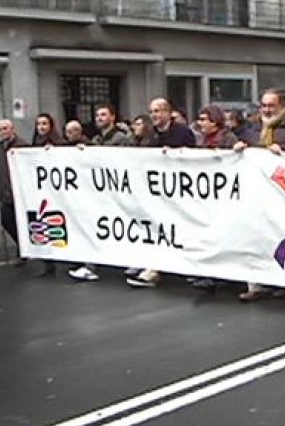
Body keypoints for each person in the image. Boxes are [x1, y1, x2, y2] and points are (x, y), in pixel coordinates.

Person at [235, 89, 285, 302]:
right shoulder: (254, 125)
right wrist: (240, 147)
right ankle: (258, 283)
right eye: (264, 105)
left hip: (283, 192)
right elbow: (245, 142)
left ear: (281, 106)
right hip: (258, 192)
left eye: (271, 106)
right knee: (258, 236)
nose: (266, 110)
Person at [127, 99, 197, 288]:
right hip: (157, 192)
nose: (154, 115)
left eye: (158, 111)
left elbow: (195, 158)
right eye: (151, 112)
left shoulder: (183, 132)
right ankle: (153, 268)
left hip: (180, 191)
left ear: (168, 113)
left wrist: (176, 154)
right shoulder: (149, 134)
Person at [68, 105, 132, 283]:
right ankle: (90, 265)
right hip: (101, 192)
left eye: (103, 114)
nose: (99, 118)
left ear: (112, 117)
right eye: (97, 115)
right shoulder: (96, 139)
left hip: (118, 191)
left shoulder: (121, 139)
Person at [0, 119, 29, 262]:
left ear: (12, 129)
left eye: (5, 128)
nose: (3, 132)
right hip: (5, 192)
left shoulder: (22, 146)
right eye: (0, 129)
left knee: (22, 223)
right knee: (7, 221)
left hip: (20, 193)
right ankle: (21, 245)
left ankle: (24, 250)